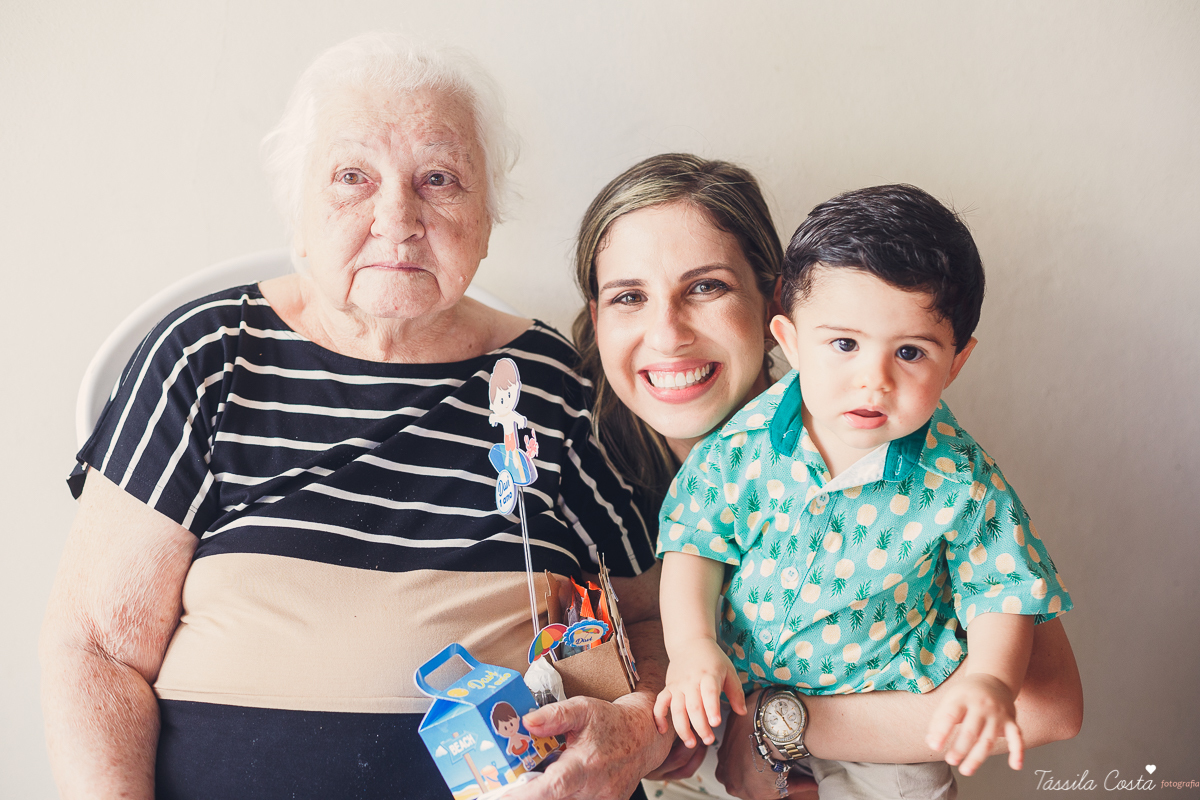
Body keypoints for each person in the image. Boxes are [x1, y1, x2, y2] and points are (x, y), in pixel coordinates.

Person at [40, 33, 672, 800]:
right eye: (352, 177)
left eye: (438, 178)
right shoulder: (207, 357)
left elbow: (654, 624)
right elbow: (98, 650)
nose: (397, 217)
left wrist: (635, 733)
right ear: (297, 206)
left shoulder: (557, 385)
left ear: (488, 213)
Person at [571, 154, 1083, 800]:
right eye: (629, 297)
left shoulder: (942, 471)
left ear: (771, 302)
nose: (668, 334)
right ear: (597, 315)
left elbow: (1050, 704)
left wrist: (771, 725)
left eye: (706, 287)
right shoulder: (582, 475)